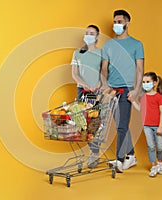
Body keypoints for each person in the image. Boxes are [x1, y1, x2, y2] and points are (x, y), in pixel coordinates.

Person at [101, 9, 144, 172]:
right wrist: (104, 86)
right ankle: (131, 156)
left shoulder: (137, 44)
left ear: (127, 23)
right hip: (111, 89)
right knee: (121, 124)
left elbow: (140, 69)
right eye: (114, 22)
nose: (116, 25)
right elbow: (104, 68)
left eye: (119, 22)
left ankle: (119, 160)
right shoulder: (108, 45)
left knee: (121, 126)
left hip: (127, 90)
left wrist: (137, 91)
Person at [71, 25, 102, 168]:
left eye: (91, 33)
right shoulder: (78, 53)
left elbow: (105, 73)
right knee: (83, 123)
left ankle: (94, 153)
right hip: (82, 91)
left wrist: (98, 85)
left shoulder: (102, 53)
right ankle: (92, 152)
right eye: (86, 33)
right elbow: (74, 73)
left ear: (97, 37)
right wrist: (83, 84)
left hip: (97, 92)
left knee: (96, 124)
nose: (88, 35)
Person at [132, 72, 162, 177]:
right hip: (146, 126)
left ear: (154, 83)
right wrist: (133, 101)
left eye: (148, 82)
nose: (145, 84)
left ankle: (160, 163)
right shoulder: (143, 97)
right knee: (151, 146)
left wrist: (160, 127)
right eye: (143, 82)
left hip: (157, 126)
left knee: (160, 147)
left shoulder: (159, 97)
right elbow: (141, 110)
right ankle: (153, 165)